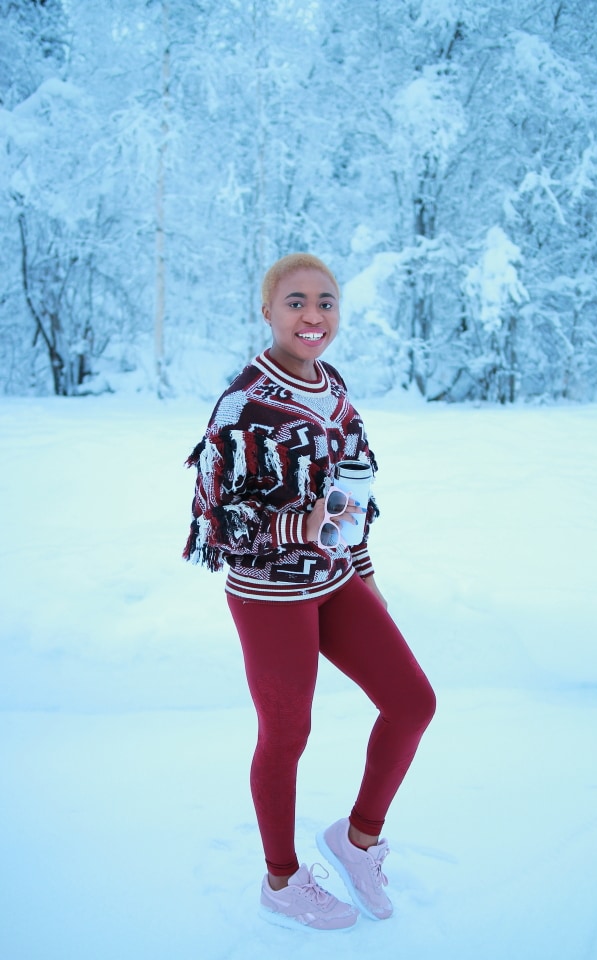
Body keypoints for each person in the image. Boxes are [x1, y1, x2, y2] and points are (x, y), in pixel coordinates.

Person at [183, 253, 436, 931]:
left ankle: (356, 844)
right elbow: (217, 519)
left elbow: (354, 494)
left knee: (413, 703)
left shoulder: (335, 387)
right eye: (295, 302)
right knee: (288, 733)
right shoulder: (243, 400)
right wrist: (300, 522)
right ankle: (280, 880)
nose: (312, 315)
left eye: (325, 302)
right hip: (269, 597)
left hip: (335, 582)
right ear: (267, 311)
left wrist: (364, 570)